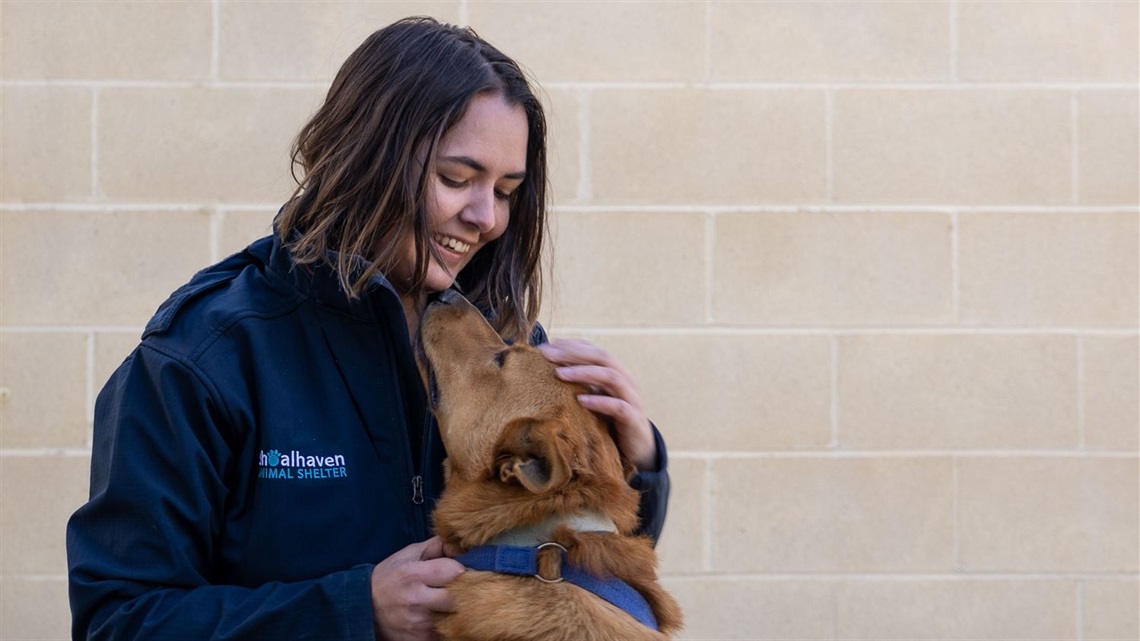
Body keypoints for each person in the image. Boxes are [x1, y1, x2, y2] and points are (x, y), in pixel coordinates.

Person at [66, 17, 671, 641]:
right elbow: (120, 621)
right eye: (455, 179)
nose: (486, 217)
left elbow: (569, 567)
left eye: (507, 190)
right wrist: (352, 611)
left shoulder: (502, 341)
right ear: (366, 155)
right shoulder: (204, 357)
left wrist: (638, 465)